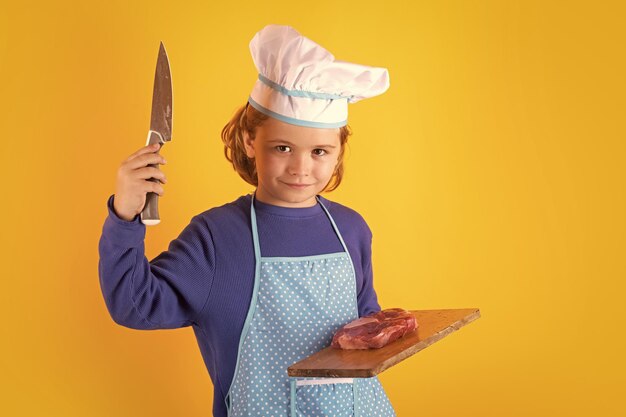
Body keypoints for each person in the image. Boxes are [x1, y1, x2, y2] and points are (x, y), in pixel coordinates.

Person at [98, 24, 394, 417]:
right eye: (282, 147)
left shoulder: (351, 229)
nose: (301, 168)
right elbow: (136, 306)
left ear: (339, 152)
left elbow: (366, 319)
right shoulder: (217, 237)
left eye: (320, 151)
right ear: (250, 141)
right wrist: (125, 216)